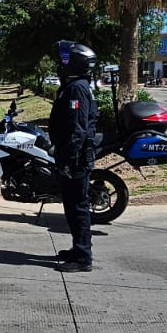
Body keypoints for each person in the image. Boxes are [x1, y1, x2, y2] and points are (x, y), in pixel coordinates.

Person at [48, 40, 98, 272]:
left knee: (78, 207)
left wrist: (67, 160)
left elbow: (77, 129)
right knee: (72, 205)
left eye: (65, 60)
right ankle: (77, 249)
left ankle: (83, 258)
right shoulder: (74, 86)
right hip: (73, 156)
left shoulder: (77, 88)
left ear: (75, 64)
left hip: (77, 158)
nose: (61, 63)